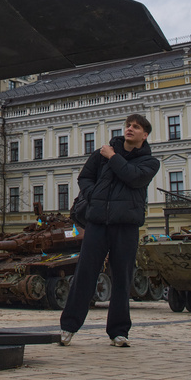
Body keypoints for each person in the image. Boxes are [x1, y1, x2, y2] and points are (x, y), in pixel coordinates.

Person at [59, 114, 159, 348]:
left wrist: (113, 157)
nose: (130, 129)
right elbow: (84, 178)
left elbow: (134, 178)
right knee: (85, 273)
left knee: (123, 278)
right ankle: (68, 326)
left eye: (136, 127)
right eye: (128, 125)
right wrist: (94, 196)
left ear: (145, 135)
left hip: (126, 225)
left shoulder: (148, 162)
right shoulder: (101, 154)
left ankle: (119, 331)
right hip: (98, 222)